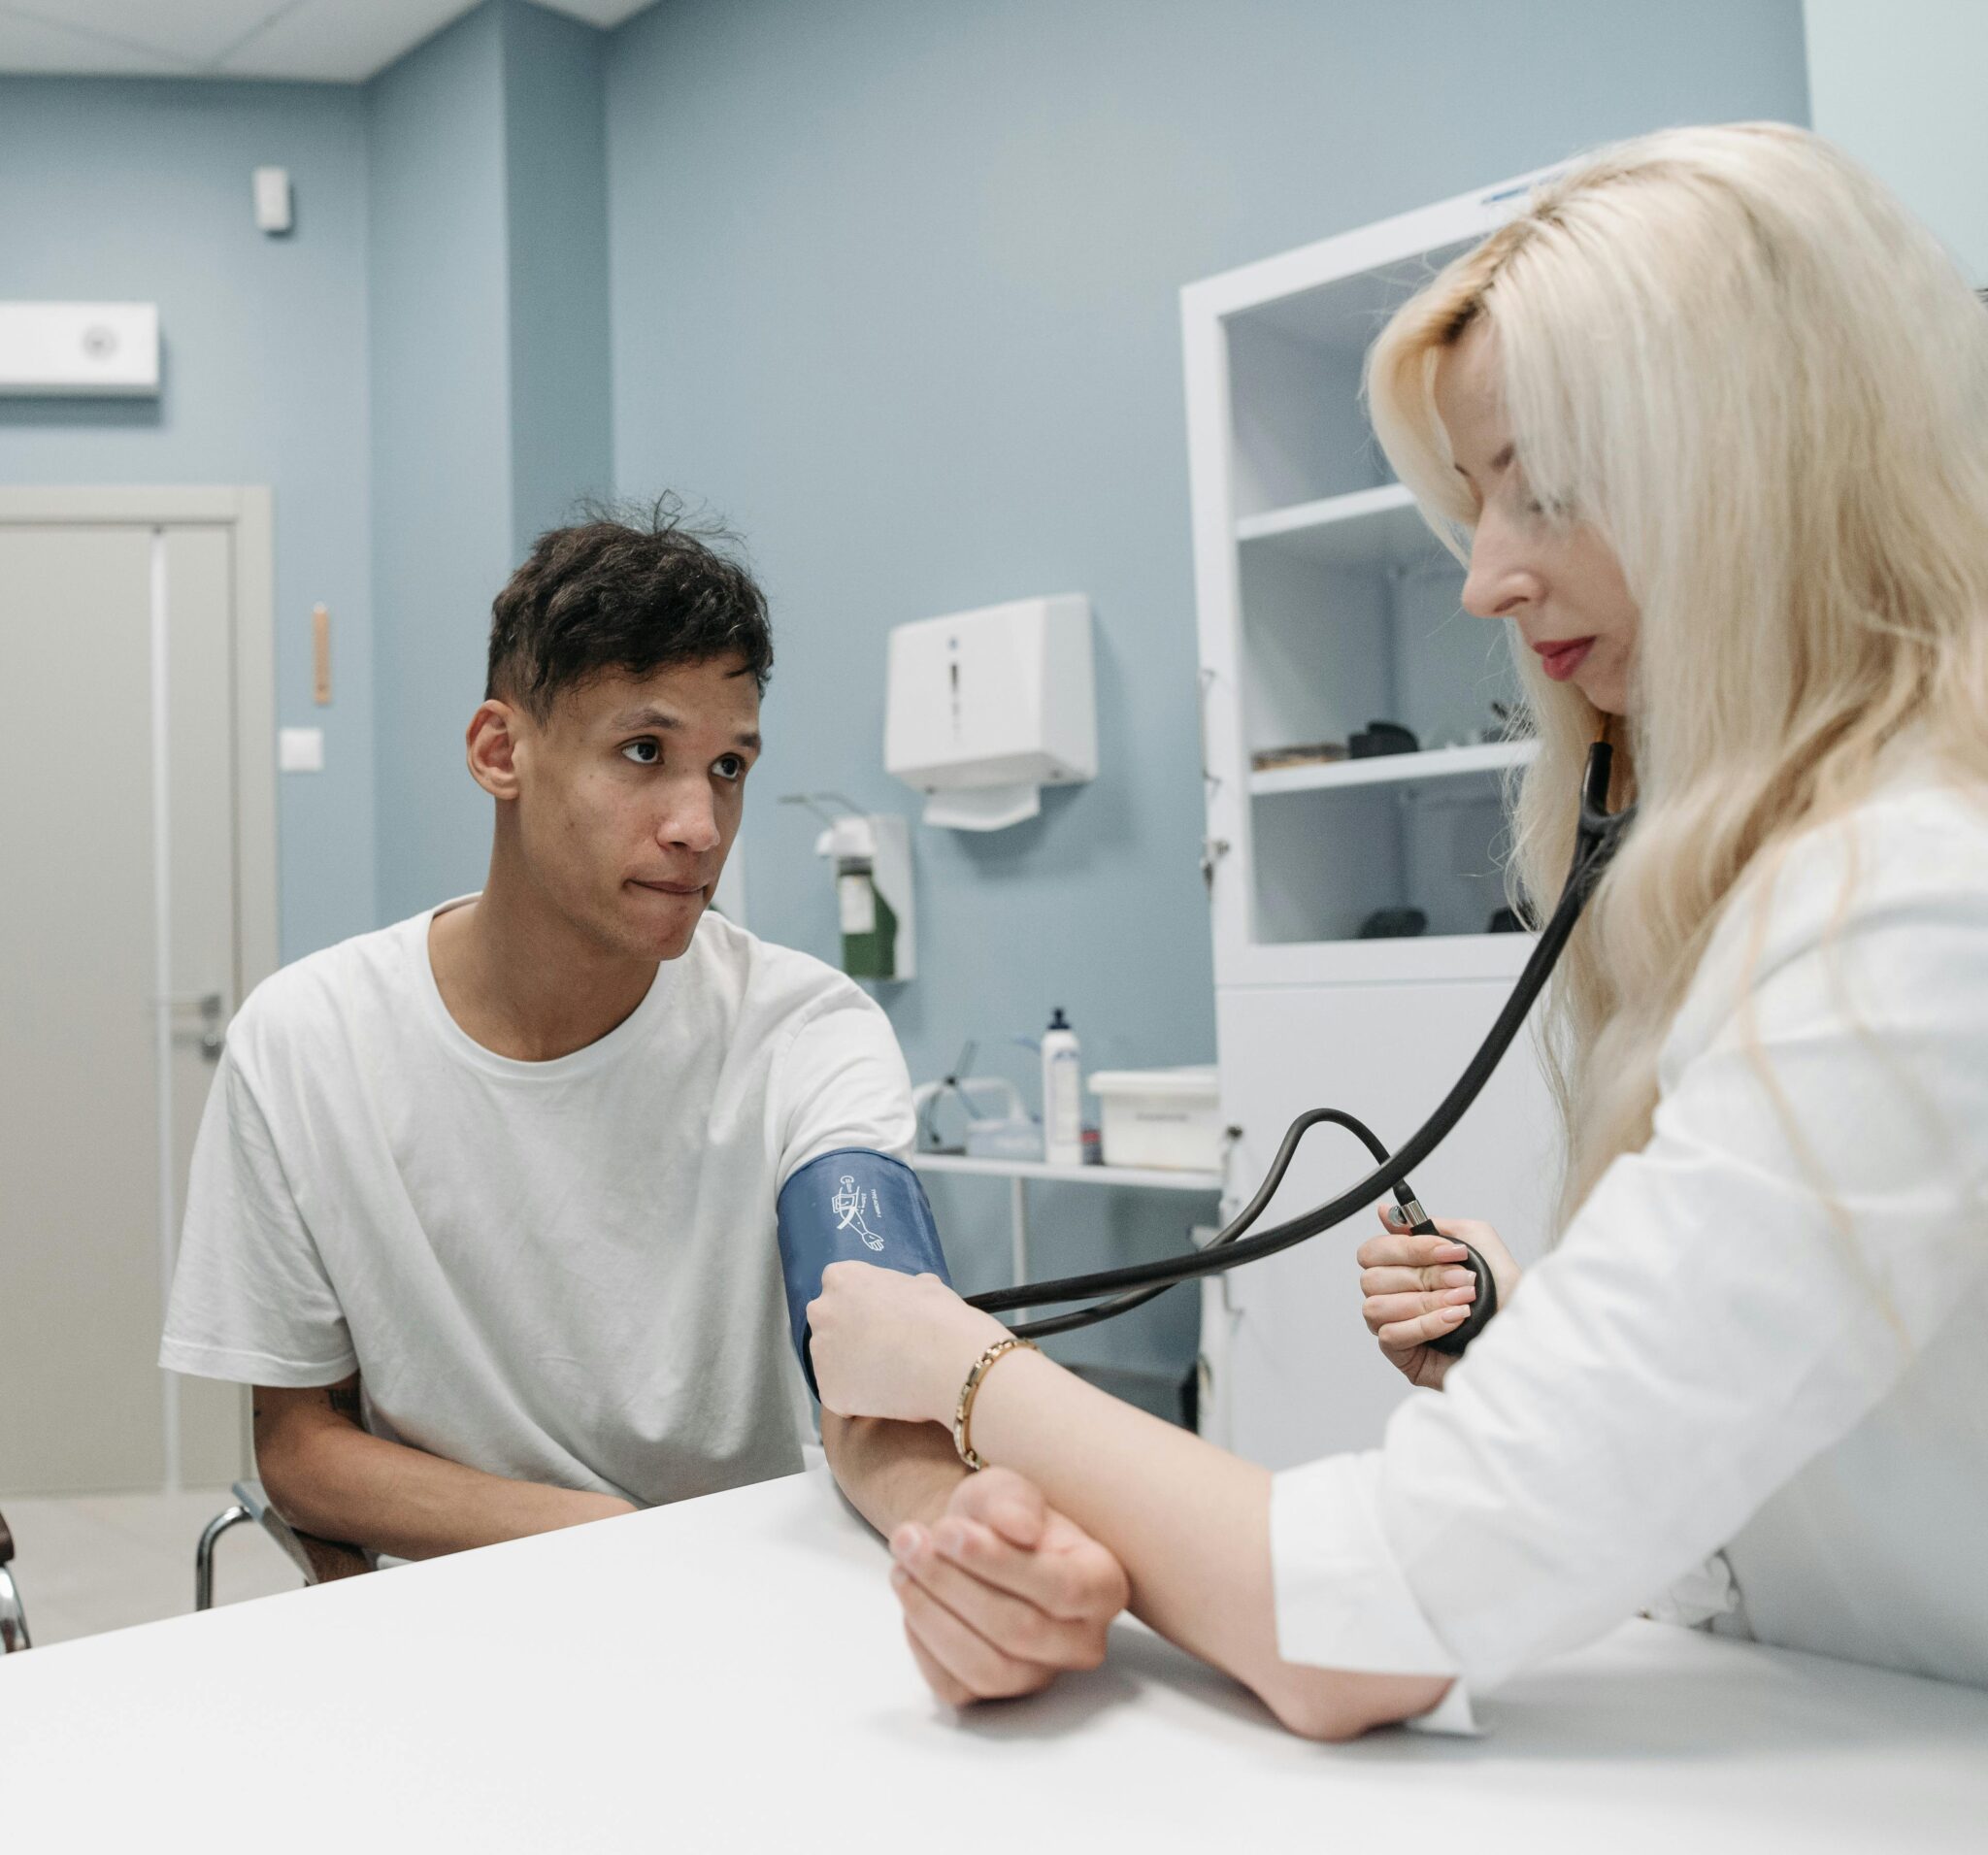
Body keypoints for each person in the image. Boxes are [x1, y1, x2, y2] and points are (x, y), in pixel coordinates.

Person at [805, 122, 1988, 1736]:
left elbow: (1367, 1616)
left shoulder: (1911, 907)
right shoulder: (1817, 884)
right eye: (1475, 504)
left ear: (1758, 477)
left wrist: (950, 1358)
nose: (1484, 579)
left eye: (1546, 495)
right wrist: (1539, 1332)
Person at [162, 505, 1127, 1694]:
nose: (698, 825)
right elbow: (301, 1450)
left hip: (758, 1626)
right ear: (499, 752)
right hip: (465, 1624)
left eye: (729, 767)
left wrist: (952, 1533)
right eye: (642, 753)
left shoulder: (804, 1029)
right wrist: (607, 1543)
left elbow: (874, 1335)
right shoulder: (303, 1044)